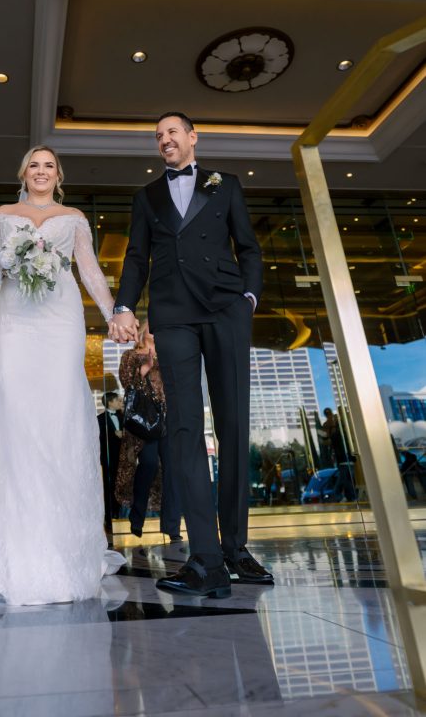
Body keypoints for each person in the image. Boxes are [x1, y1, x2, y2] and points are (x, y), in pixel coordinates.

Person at [0, 145, 125, 605]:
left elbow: (90, 271)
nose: (41, 172)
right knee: (14, 418)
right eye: (34, 166)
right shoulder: (4, 214)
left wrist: (114, 312)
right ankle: (11, 545)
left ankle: (65, 545)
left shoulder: (74, 217)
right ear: (24, 173)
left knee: (58, 418)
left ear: (59, 175)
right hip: (13, 318)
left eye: (49, 166)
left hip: (60, 319)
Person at [109, 111, 271, 598]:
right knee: (182, 429)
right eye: (158, 136)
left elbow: (250, 248)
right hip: (173, 314)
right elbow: (137, 255)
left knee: (232, 423)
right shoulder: (147, 197)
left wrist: (249, 300)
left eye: (172, 132)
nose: (164, 140)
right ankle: (206, 559)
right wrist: (123, 305)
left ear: (193, 137)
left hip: (225, 308)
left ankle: (236, 548)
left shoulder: (227, 185)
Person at [116, 323, 182, 541]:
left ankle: (172, 528)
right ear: (144, 332)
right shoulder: (131, 355)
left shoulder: (167, 356)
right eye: (152, 327)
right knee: (149, 464)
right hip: (146, 424)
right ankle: (137, 519)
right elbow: (127, 384)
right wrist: (144, 368)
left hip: (168, 421)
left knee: (172, 471)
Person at [98, 389, 123, 534]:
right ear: (110, 402)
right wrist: (113, 435)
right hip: (109, 459)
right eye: (118, 400)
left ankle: (122, 515)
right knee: (109, 487)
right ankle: (110, 517)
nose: (120, 402)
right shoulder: (100, 419)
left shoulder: (124, 416)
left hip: (124, 459)